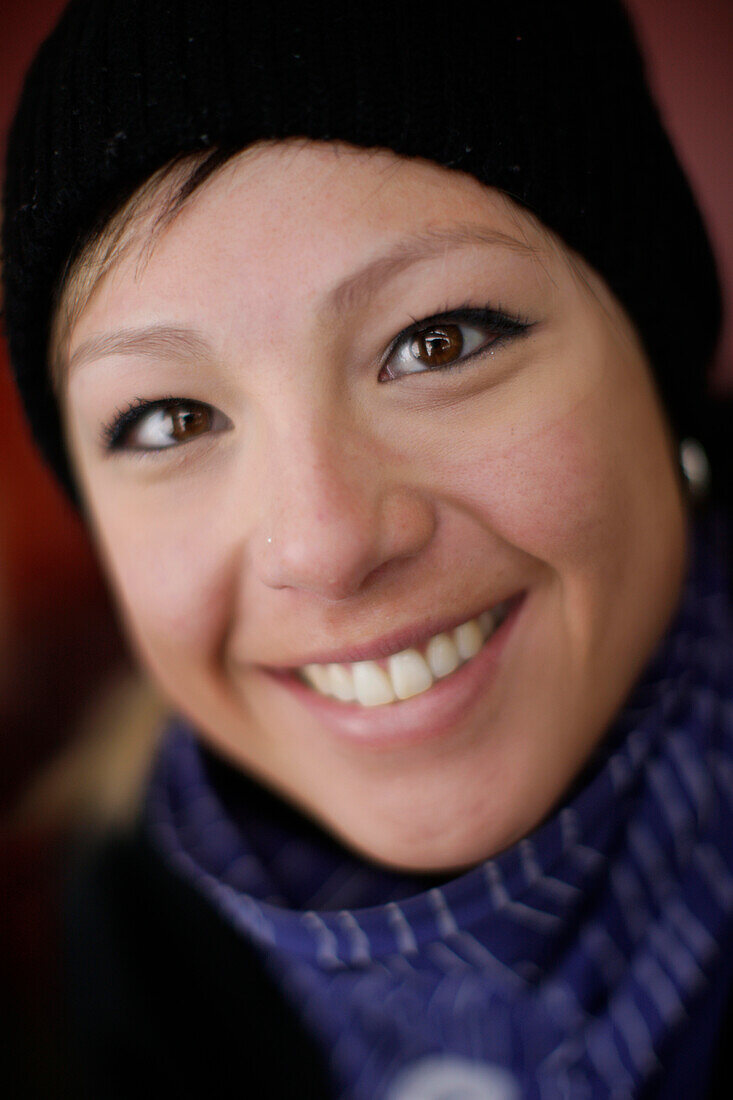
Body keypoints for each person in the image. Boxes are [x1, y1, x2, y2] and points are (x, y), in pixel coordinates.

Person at [2, 0, 732, 1096]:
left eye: (438, 342)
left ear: (656, 358)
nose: (327, 542)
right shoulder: (130, 924)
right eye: (170, 419)